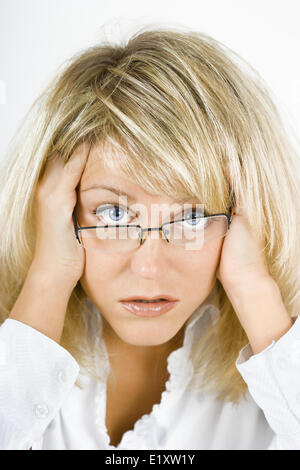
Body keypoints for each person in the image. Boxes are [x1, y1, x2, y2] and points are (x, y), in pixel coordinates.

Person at [0, 26, 300, 450]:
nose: (149, 268)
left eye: (192, 216)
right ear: (58, 211)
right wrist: (48, 277)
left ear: (243, 217)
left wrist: (254, 287)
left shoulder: (281, 370)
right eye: (114, 214)